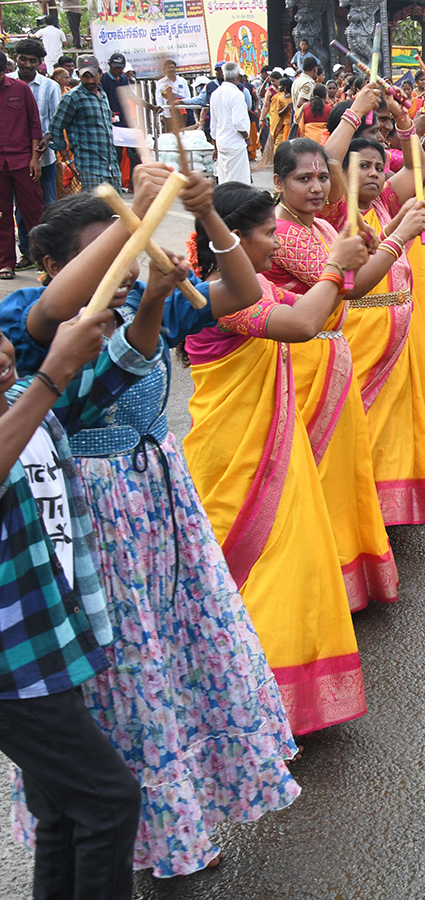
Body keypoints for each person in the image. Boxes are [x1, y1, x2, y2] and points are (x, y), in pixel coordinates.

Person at [3, 166, 305, 877]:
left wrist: (209, 219)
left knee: (174, 661)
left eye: (133, 247)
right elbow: (55, 317)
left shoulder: (150, 301)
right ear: (61, 262)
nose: (129, 258)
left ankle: (179, 824)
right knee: (123, 677)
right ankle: (132, 829)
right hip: (88, 518)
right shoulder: (35, 319)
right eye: (110, 248)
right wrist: (133, 218)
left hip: (159, 501)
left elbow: (241, 292)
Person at [0, 225, 166, 900]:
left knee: (63, 809)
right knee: (108, 800)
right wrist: (47, 373)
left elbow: (118, 367)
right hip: (12, 663)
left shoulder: (22, 403)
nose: (3, 354)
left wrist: (152, 296)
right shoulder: (28, 397)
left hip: (50, 643)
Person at [182, 180, 372, 736]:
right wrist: (335, 267)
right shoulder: (220, 295)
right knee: (258, 571)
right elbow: (302, 324)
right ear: (232, 240)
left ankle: (285, 696)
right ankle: (246, 702)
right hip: (237, 457)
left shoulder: (257, 283)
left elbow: (322, 309)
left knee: (294, 565)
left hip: (272, 448)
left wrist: (389, 242)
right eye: (267, 234)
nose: (276, 243)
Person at [264, 138, 401, 608]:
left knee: (342, 472)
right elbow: (352, 286)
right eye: (304, 179)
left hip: (332, 358)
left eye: (323, 176)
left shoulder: (321, 223)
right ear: (278, 182)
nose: (318, 187)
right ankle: (309, 582)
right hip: (302, 363)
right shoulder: (284, 233)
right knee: (312, 474)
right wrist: (399, 238)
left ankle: (341, 574)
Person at [322, 118, 425, 524]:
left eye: (379, 167)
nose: (374, 174)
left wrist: (407, 129)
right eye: (362, 166)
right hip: (361, 331)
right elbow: (327, 159)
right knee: (362, 423)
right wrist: (355, 113)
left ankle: (390, 505)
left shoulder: (382, 202)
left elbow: (416, 173)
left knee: (394, 427)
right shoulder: (335, 210)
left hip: (397, 329)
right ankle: (358, 505)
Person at [12, 40, 58, 273]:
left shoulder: (49, 86)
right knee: (20, 209)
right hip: (15, 158)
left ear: (41, 63)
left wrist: (44, 141)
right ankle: (27, 253)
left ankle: (46, 256)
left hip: (44, 158)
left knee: (46, 206)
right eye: (23, 59)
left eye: (33, 61)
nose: (27, 65)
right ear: (16, 58)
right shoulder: (7, 82)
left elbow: (55, 120)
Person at [0, 50, 45, 282]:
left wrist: (35, 160)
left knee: (34, 212)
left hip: (23, 161)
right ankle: (6, 263)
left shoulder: (20, 89)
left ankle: (45, 261)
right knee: (2, 216)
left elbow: (34, 124)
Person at [47, 54, 120, 191]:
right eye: (85, 76)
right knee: (93, 210)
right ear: (79, 75)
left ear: (100, 73)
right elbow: (55, 127)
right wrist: (68, 161)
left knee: (115, 211)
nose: (90, 80)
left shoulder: (102, 95)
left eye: (93, 75)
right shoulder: (72, 97)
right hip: (88, 168)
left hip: (112, 168)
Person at [99, 53, 139, 185]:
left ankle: (134, 184)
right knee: (116, 154)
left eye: (121, 68)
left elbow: (131, 96)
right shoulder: (103, 80)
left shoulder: (123, 79)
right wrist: (108, 112)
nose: (119, 71)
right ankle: (115, 182)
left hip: (124, 120)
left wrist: (151, 106)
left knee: (134, 152)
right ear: (109, 65)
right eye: (116, 68)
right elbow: (101, 100)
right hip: (109, 122)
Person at [210, 62, 252, 184]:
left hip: (222, 143)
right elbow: (238, 123)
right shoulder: (237, 94)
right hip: (236, 144)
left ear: (223, 76)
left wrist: (216, 146)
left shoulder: (215, 94)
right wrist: (247, 137)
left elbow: (214, 125)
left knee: (225, 181)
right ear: (239, 77)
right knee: (239, 184)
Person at [154, 58, 191, 129]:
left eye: (173, 67)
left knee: (183, 132)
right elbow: (159, 99)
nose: (171, 69)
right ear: (164, 69)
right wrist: (161, 115)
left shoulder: (182, 81)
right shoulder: (161, 83)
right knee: (171, 134)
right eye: (169, 68)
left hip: (182, 113)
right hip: (168, 113)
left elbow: (187, 96)